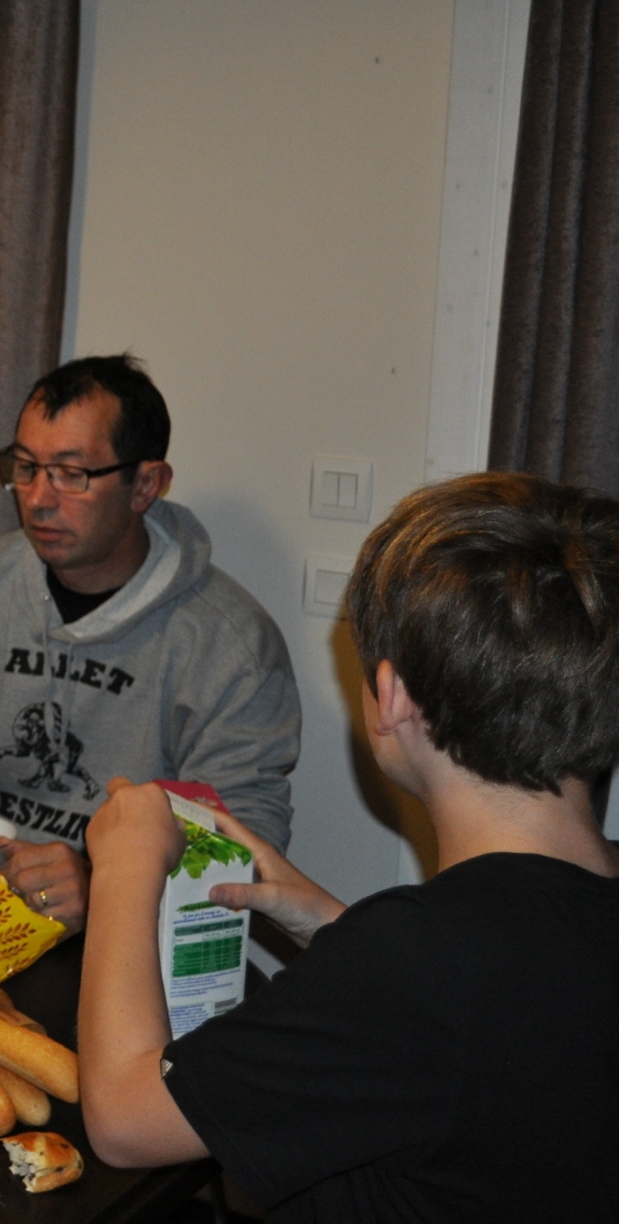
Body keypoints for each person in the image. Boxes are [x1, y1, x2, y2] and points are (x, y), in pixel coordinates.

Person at [79, 472, 619, 1221]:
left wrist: (123, 866)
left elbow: (122, 1120)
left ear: (391, 696)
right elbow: (504, 1028)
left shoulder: (419, 963)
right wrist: (339, 928)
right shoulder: (469, 951)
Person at [0, 354, 299, 932]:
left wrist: (102, 882)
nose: (37, 498)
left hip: (118, 942)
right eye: (26, 467)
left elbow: (244, 850)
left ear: (146, 485)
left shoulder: (230, 647)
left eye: (70, 473)